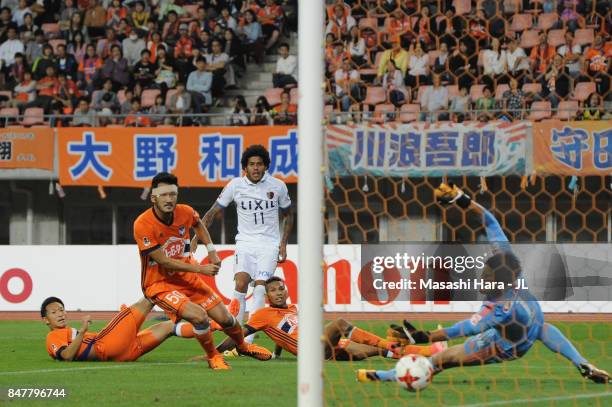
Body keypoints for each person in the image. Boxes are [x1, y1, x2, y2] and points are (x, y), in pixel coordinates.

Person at [357, 183, 612, 385]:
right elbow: (491, 223)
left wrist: (424, 336)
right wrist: (462, 200)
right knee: (542, 327)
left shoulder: (497, 309)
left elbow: (464, 328)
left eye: (487, 278)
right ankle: (583, 363)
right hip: (531, 326)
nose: (482, 278)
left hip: (502, 346)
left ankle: (389, 376)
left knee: (442, 359)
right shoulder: (511, 269)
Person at [133, 172, 272, 369]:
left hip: (186, 278)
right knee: (199, 316)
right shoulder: (142, 224)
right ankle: (213, 356)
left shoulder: (185, 212)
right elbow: (163, 261)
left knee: (226, 319)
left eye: (173, 194)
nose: (169, 199)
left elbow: (198, 224)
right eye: (164, 195)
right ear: (153, 197)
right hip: (159, 285)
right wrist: (200, 268)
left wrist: (212, 250)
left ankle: (242, 346)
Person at [203, 277, 447, 361]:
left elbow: (283, 334)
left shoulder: (293, 309)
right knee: (340, 323)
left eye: (281, 288)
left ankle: (431, 351)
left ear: (286, 291)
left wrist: (277, 354)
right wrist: (215, 352)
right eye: (274, 290)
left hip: (324, 348)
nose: (279, 292)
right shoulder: (263, 314)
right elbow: (239, 334)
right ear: (267, 295)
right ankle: (392, 343)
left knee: (369, 351)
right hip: (311, 351)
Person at [203, 146, 293, 347]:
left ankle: (248, 340)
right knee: (241, 284)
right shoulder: (235, 186)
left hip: (269, 244)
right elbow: (212, 212)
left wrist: (283, 243)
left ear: (266, 166)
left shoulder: (278, 186)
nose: (256, 168)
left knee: (261, 287)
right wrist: (195, 238)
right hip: (244, 242)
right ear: (245, 167)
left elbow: (288, 215)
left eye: (259, 164)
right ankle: (236, 330)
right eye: (251, 164)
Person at [42, 296, 193, 361]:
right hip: (108, 344)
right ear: (45, 320)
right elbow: (67, 356)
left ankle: (214, 325)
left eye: (61, 310)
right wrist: (82, 331)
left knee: (170, 327)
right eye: (54, 312)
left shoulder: (65, 332)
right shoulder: (53, 336)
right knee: (150, 296)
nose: (60, 314)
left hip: (123, 355)